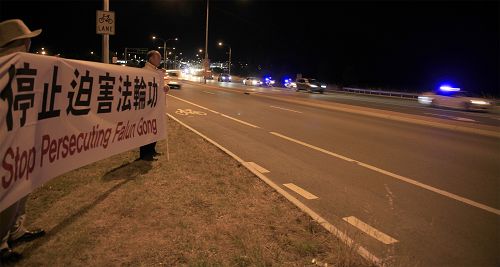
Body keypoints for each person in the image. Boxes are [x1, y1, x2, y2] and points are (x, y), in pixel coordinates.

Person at [0, 19, 46, 264]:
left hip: (23, 138)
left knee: (22, 188)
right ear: (16, 44)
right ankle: (1, 243)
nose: (30, 44)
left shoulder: (25, 68)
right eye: (26, 40)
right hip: (6, 143)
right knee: (7, 192)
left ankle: (15, 230)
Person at [139, 50, 168, 161]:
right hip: (148, 106)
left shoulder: (157, 72)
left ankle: (151, 150)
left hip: (157, 105)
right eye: (158, 58)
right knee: (146, 128)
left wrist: (166, 87)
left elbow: (161, 86)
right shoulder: (144, 71)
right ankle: (144, 154)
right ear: (151, 59)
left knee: (155, 128)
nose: (160, 60)